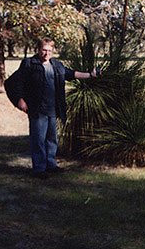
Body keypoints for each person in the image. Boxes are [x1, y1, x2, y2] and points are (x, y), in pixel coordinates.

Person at [13, 38, 97, 178]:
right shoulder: (29, 64)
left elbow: (72, 74)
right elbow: (17, 83)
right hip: (37, 109)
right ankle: (39, 169)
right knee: (38, 139)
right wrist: (20, 100)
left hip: (53, 108)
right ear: (38, 49)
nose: (47, 53)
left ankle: (51, 165)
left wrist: (90, 75)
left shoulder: (56, 65)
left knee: (52, 139)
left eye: (50, 50)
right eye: (44, 50)